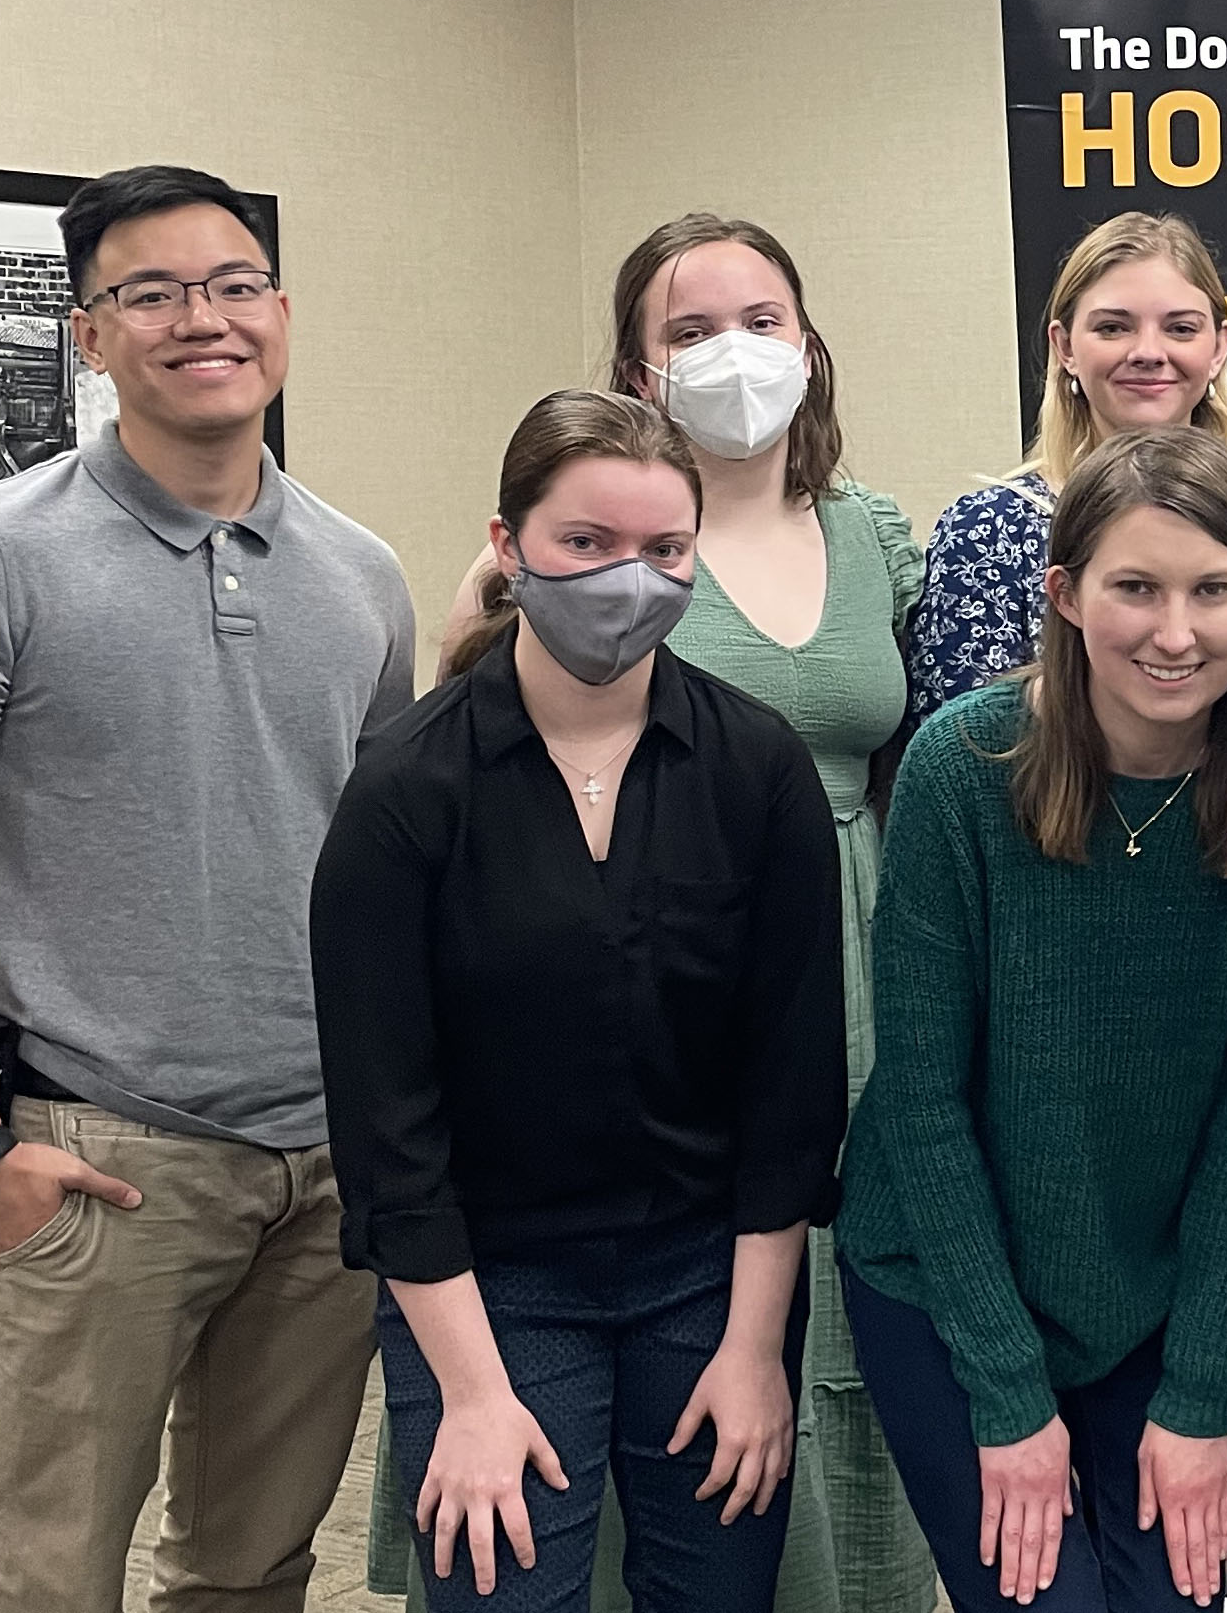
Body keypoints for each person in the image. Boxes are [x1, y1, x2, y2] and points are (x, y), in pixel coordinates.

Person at [0, 164, 414, 1612]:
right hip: (100, 1161)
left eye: (235, 286)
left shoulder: (361, 574)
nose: (204, 319)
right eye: (153, 294)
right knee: (47, 1582)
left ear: (281, 313)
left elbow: (379, 875)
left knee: (252, 1575)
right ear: (89, 334)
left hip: (326, 1167)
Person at [408, 214, 937, 1613]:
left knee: (846, 1326)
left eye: (763, 321)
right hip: (659, 985)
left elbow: (927, 765)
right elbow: (465, 764)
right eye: (691, 330)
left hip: (858, 968)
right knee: (659, 1375)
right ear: (639, 369)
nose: (734, 353)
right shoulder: (583, 546)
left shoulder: (876, 536)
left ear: (810, 345)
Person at [314, 389, 845, 1611]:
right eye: (586, 544)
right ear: (509, 547)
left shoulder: (757, 770)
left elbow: (791, 1094)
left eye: (664, 550)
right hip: (491, 1284)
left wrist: (756, 1349)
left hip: (709, 1276)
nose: (627, 580)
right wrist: (470, 1394)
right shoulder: (406, 789)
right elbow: (388, 1130)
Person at [839, 427, 1227, 1611]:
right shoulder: (964, 768)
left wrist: (1202, 1399)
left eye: (1214, 590)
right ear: (1065, 596)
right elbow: (921, 1101)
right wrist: (1011, 1401)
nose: (1176, 633)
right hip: (946, 1274)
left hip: (1150, 1288)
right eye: (1136, 588)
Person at [907, 209, 1227, 1235]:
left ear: (1220, 347)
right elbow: (970, 796)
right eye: (1114, 325)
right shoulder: (990, 533)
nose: (1148, 352)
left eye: (1179, 326)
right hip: (1052, 1021)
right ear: (1063, 347)